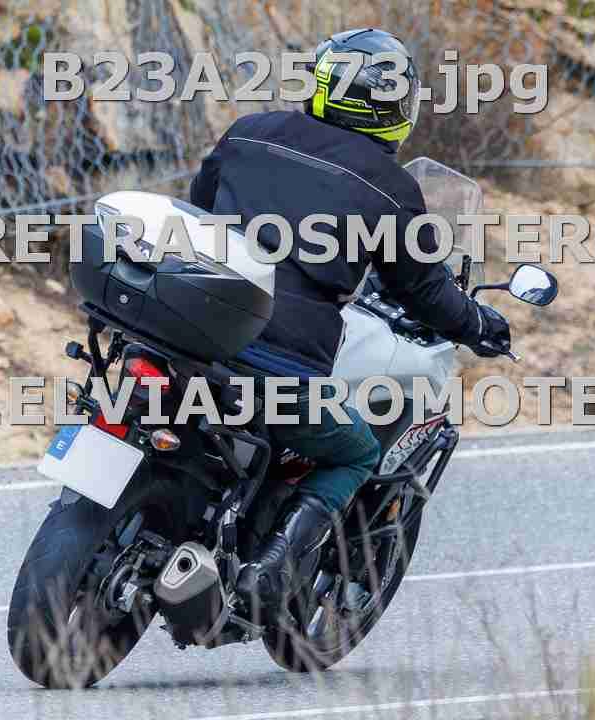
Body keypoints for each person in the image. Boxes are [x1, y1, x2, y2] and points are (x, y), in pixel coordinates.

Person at [189, 28, 511, 621]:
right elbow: (424, 290)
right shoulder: (390, 188)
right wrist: (478, 323)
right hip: (274, 359)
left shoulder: (248, 131)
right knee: (354, 452)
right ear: (393, 107)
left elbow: (200, 208)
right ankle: (270, 570)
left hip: (191, 331)